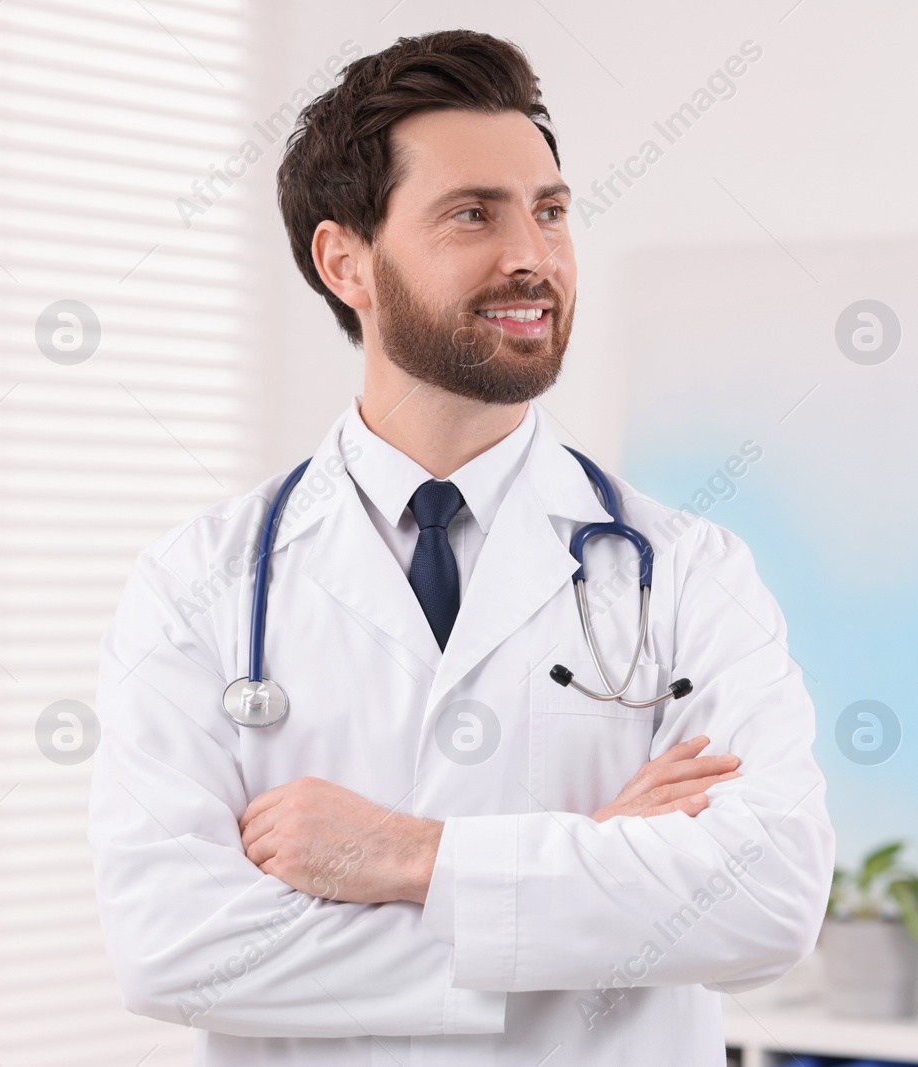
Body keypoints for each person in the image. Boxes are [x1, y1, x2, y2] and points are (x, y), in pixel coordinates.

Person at [88, 29, 833, 1066]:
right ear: (345, 259)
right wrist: (595, 879)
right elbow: (175, 947)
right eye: (472, 213)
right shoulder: (199, 584)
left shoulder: (692, 570)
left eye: (551, 210)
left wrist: (409, 857)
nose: (532, 253)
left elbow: (768, 897)